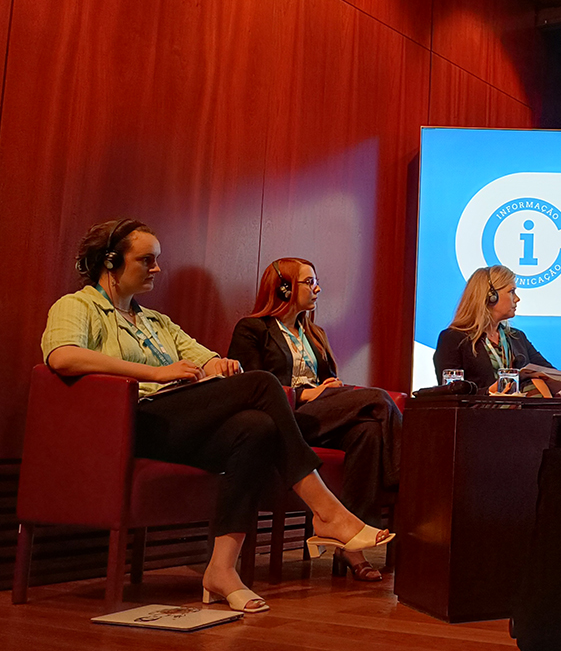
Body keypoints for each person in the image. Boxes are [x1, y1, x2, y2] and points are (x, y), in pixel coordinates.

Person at [41, 219, 392, 613]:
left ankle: (221, 569)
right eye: (146, 260)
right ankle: (327, 512)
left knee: (256, 428)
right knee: (263, 384)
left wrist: (216, 365)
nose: (157, 268)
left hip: (175, 422)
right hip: (131, 421)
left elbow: (204, 357)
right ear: (110, 262)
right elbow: (62, 356)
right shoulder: (78, 306)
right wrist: (155, 373)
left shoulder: (156, 322)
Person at [227, 258, 402, 582]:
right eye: (309, 282)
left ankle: (350, 545)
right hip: (283, 418)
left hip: (321, 415)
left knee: (368, 431)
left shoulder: (314, 334)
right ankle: (402, 479)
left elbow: (327, 380)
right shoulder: (252, 329)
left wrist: (330, 388)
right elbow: (250, 386)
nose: (317, 289)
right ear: (283, 288)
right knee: (378, 399)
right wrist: (306, 393)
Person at [433, 265, 553, 391]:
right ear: (491, 296)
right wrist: (489, 392)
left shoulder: (517, 337)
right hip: (479, 404)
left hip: (519, 403)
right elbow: (450, 392)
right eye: (511, 291)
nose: (517, 299)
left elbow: (552, 374)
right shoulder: (453, 338)